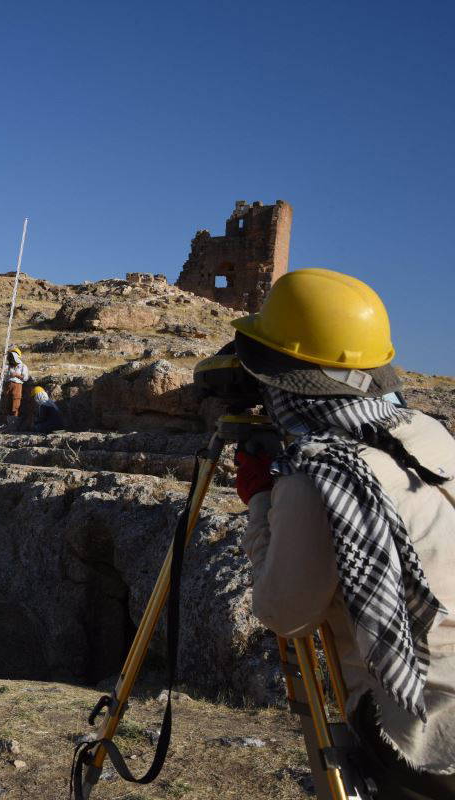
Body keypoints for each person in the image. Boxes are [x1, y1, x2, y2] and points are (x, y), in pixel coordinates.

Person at [232, 269, 454, 798]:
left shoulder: (319, 480)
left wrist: (262, 497)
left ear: (279, 378)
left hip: (423, 738)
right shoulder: (428, 435)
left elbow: (285, 614)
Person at [1, 346, 30, 431]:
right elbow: (2, 370)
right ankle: (6, 424)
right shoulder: (9, 366)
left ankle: (14, 425)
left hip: (17, 385)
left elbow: (25, 378)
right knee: (7, 404)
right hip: (8, 385)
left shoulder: (23, 366)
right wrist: (4, 358)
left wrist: (16, 375)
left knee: (15, 404)